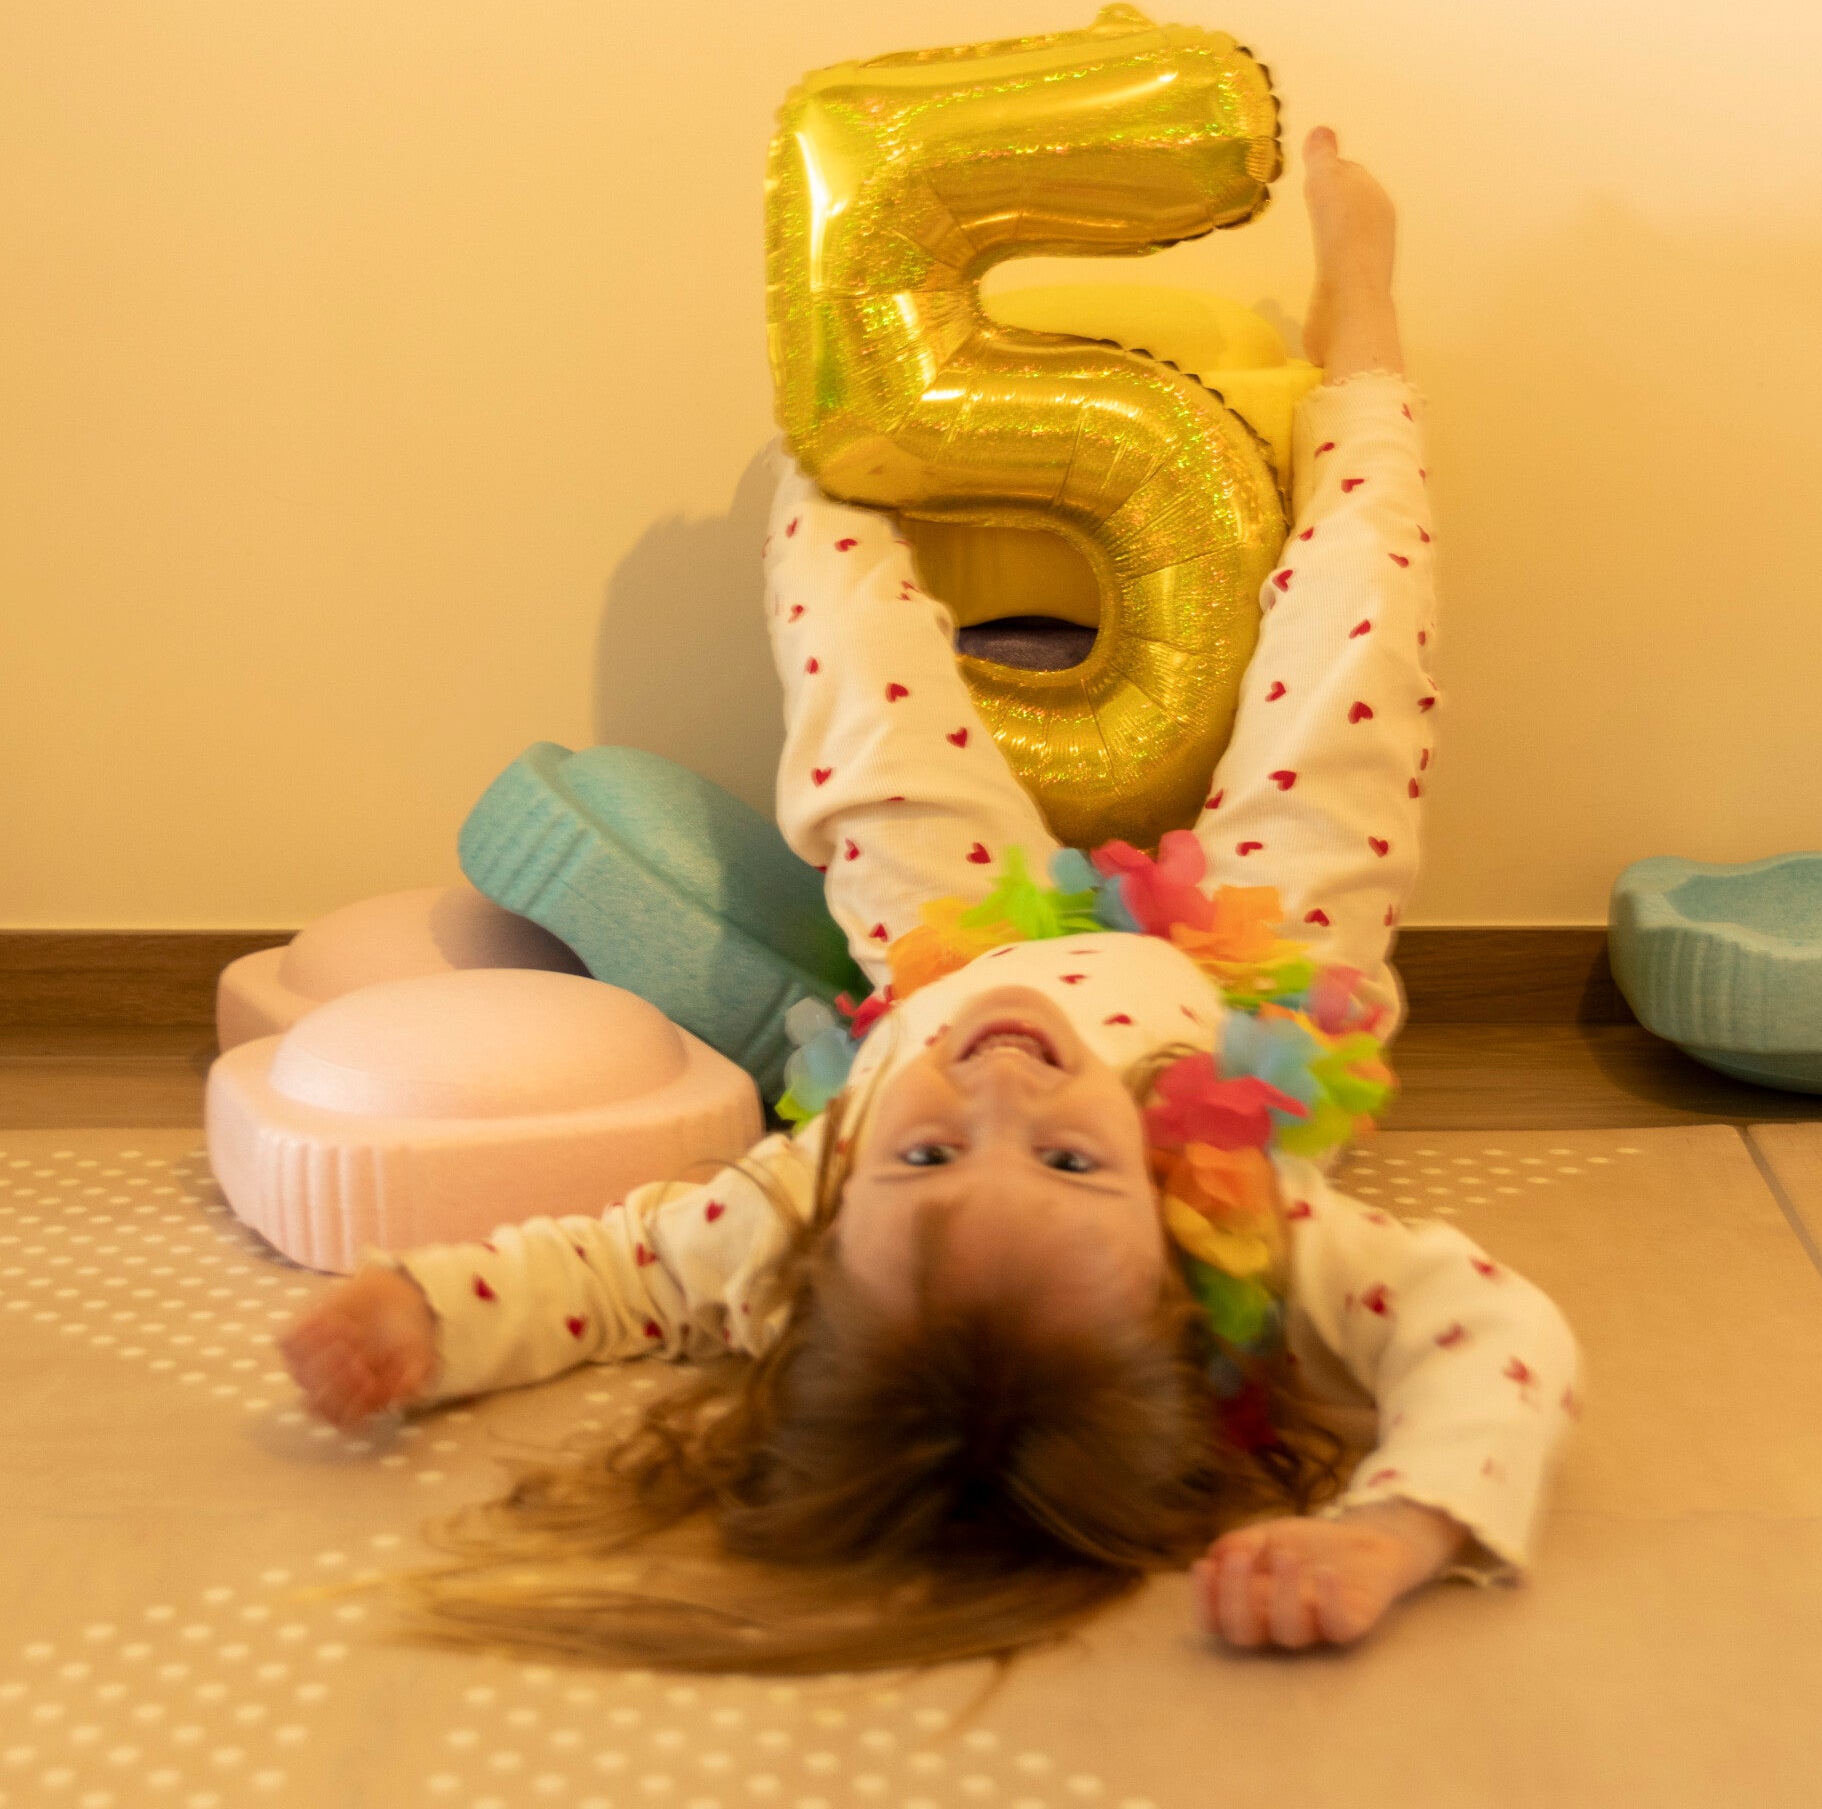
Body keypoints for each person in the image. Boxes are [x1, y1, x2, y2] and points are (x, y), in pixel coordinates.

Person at [279, 126, 1581, 1671]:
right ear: (1181, 1268)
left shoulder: (785, 1222)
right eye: (1075, 1165)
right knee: (1360, 639)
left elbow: (609, 1277)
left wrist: (422, 1318)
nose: (1003, 1087)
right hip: (1256, 984)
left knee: (855, 679)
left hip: (952, 950)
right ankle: (1362, 325)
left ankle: (841, 417)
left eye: (927, 1151)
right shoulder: (1270, 1236)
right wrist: (1398, 1529)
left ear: (830, 1235)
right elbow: (1490, 1334)